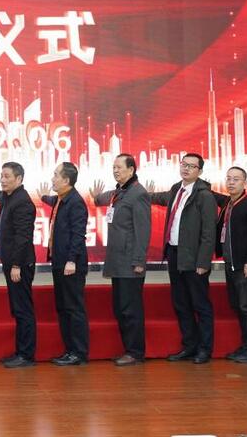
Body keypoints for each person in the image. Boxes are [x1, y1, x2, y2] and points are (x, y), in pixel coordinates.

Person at [150, 152, 217, 364]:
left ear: (200, 171)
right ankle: (189, 346)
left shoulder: (204, 196)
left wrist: (203, 262)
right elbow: (157, 197)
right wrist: (138, 193)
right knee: (181, 303)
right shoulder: (175, 190)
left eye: (191, 166)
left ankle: (204, 349)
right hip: (174, 253)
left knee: (200, 304)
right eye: (183, 164)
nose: (186, 168)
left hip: (194, 257)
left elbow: (209, 233)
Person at [92, 153, 151, 366]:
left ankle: (135, 352)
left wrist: (139, 261)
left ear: (131, 169)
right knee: (120, 308)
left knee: (130, 309)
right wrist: (96, 198)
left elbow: (143, 230)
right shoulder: (119, 192)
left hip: (130, 263)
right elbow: (102, 199)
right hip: (118, 261)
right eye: (114, 167)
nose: (115, 170)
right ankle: (129, 349)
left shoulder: (138, 194)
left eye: (119, 167)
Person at [0, 162, 37, 368]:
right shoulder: (9, 196)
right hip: (12, 262)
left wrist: (16, 265)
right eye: (1, 176)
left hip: (19, 264)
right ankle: (20, 352)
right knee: (17, 308)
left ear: (19, 179)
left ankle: (26, 355)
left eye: (7, 176)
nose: (2, 180)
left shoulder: (22, 202)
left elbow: (23, 237)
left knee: (23, 309)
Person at [38, 162, 90, 366]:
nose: (52, 178)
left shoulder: (75, 202)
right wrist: (44, 197)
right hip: (59, 262)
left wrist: (71, 260)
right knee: (63, 307)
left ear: (66, 180)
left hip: (71, 265)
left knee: (74, 308)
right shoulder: (61, 199)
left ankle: (79, 352)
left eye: (55, 175)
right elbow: (52, 200)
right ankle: (69, 350)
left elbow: (78, 234)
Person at [212, 167, 247, 363]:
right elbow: (215, 196)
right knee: (238, 306)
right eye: (229, 179)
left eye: (236, 179)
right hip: (231, 264)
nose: (231, 182)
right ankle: (246, 346)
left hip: (245, 266)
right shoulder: (228, 203)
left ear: (245, 183)